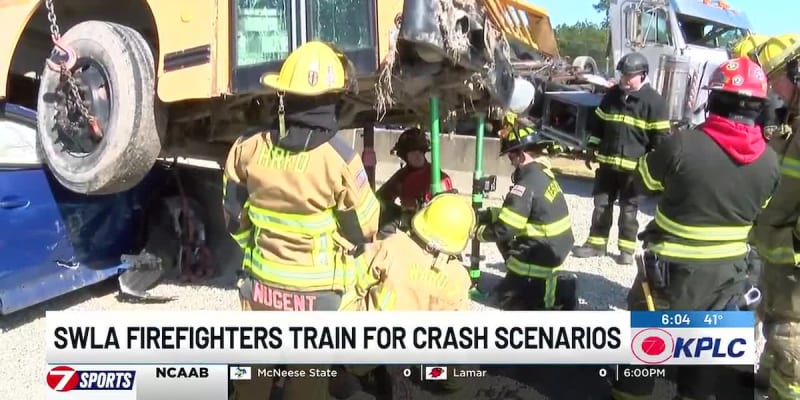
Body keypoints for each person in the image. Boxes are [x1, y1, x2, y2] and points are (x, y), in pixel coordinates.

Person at [611, 57, 780, 400]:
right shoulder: (770, 160)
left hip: (669, 277)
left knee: (643, 345)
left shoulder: (682, 144)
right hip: (728, 279)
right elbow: (760, 209)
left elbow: (642, 181)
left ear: (714, 99)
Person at [222, 41, 381, 400]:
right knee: (307, 384)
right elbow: (365, 227)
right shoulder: (340, 158)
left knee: (252, 379)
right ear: (333, 98)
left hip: (260, 287)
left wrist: (257, 249)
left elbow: (233, 216)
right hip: (316, 298)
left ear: (283, 95)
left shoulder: (248, 147)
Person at [572, 51, 670, 265]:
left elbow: (660, 140)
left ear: (643, 75)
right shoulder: (612, 96)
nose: (624, 79)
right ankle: (596, 244)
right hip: (607, 164)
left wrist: (657, 169)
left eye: (629, 75)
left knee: (628, 210)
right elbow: (598, 125)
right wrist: (591, 148)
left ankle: (626, 250)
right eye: (622, 74)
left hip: (633, 171)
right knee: (601, 205)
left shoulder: (654, 102)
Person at [474, 114, 577, 310]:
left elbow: (506, 229)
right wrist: (490, 214)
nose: (511, 162)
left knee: (506, 300)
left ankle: (541, 287)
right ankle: (524, 278)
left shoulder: (525, 186)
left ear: (522, 156)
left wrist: (477, 232)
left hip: (540, 253)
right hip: (555, 246)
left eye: (512, 157)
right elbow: (530, 214)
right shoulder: (543, 174)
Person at [751, 34, 800, 400]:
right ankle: (767, 379)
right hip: (775, 253)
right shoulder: (791, 121)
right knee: (773, 324)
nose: (771, 88)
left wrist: (793, 245)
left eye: (775, 77)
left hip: (792, 260)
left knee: (791, 339)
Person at [375, 127, 454, 238]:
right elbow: (381, 197)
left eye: (419, 152)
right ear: (405, 156)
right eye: (412, 153)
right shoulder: (401, 177)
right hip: (408, 225)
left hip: (433, 226)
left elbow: (449, 209)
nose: (417, 156)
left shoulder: (439, 177)